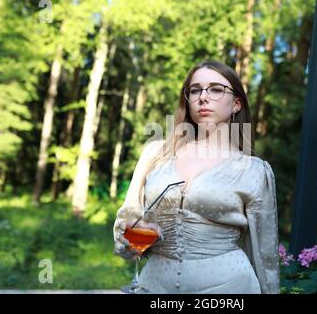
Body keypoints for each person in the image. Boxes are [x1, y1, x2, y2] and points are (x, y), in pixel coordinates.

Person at [113, 60, 280, 294]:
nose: (203, 97)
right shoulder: (156, 154)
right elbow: (127, 221)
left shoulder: (253, 170)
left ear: (236, 104)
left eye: (216, 89)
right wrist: (128, 237)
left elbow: (266, 257)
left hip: (230, 289)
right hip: (153, 288)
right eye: (195, 90)